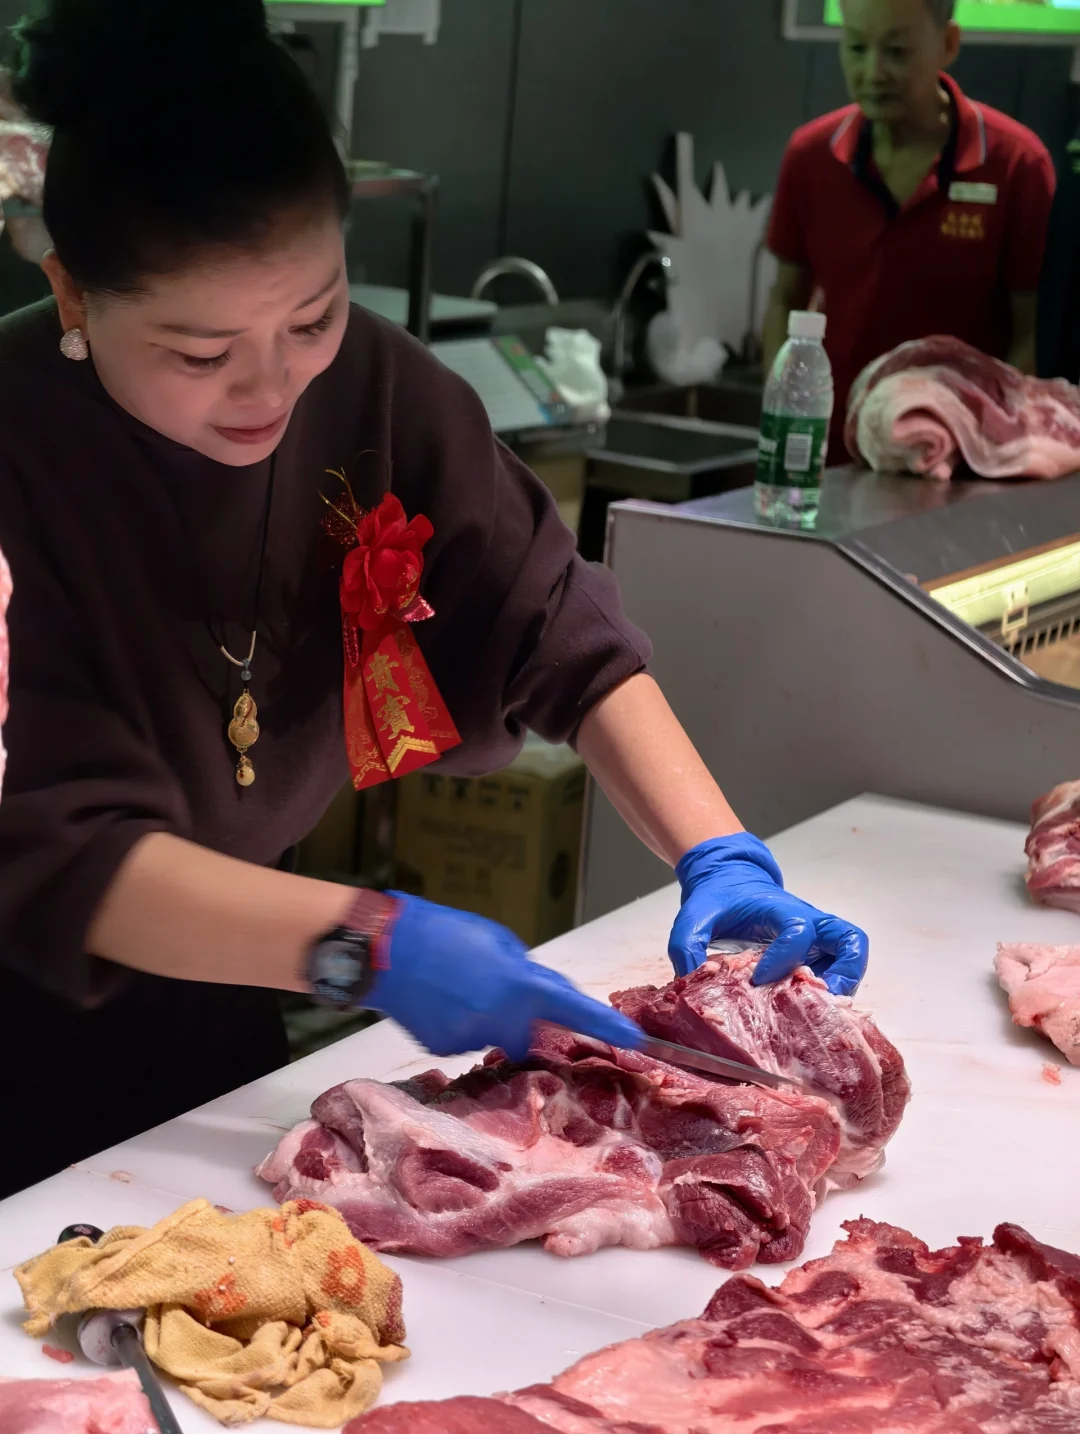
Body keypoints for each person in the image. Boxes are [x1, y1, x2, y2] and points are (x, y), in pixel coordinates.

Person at [0, 0, 869, 1199]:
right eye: (200, 354)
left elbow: (553, 621)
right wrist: (373, 945)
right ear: (71, 294)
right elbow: (56, 852)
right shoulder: (19, 449)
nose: (271, 387)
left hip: (232, 1011)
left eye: (313, 315)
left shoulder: (372, 387)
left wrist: (718, 853)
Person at [763, 0, 1056, 462]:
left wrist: (989, 448)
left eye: (897, 52)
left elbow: (1032, 332)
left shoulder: (1016, 164)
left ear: (948, 44)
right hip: (830, 458)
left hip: (961, 464)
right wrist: (783, 420)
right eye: (856, 48)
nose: (873, 72)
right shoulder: (811, 157)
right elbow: (785, 297)